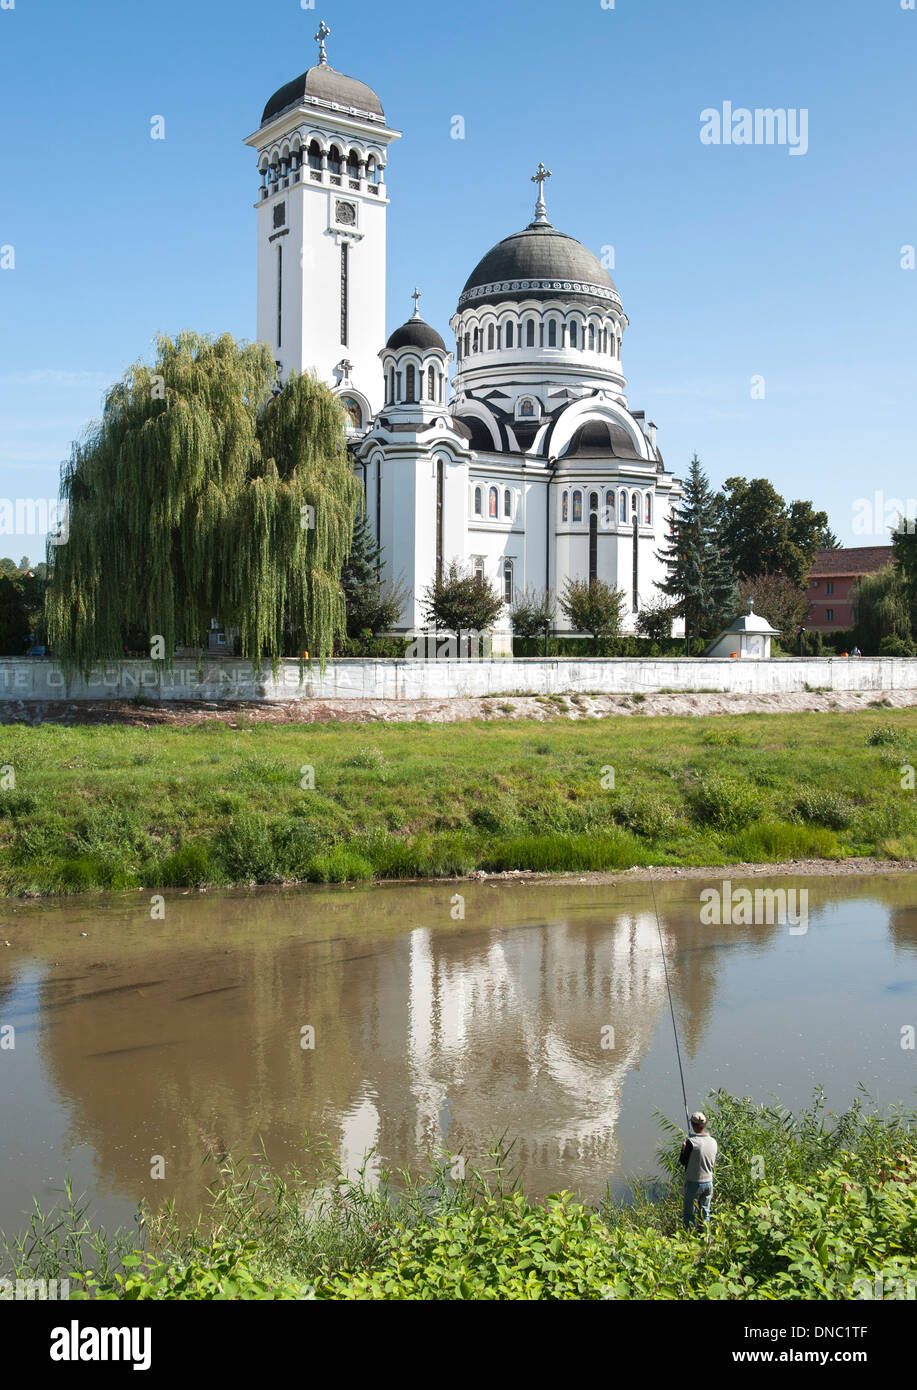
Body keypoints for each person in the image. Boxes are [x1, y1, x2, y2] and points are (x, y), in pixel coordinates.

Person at [680, 1111, 718, 1230]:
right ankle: (705, 1236)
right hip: (708, 1183)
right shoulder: (713, 1141)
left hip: (693, 1183)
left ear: (692, 1125)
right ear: (705, 1125)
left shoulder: (691, 1143)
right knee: (705, 1212)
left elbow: (683, 1161)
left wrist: (683, 1149)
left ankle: (689, 1238)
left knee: (689, 1214)